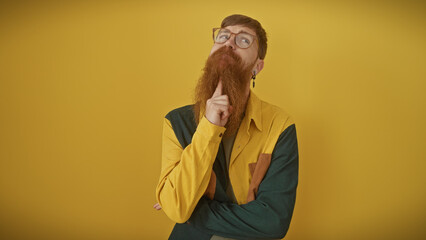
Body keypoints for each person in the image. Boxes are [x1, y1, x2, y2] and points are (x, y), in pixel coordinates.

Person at [154, 14, 299, 240]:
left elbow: (274, 221)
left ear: (257, 67)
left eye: (243, 40)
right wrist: (209, 127)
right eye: (222, 36)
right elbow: (176, 207)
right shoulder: (176, 121)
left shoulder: (279, 126)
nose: (228, 43)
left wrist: (192, 213)